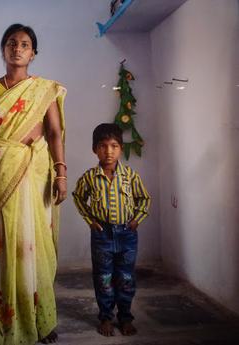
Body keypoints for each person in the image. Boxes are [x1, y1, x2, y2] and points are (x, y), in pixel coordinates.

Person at [0, 23, 67, 345]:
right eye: (11, 43)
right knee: (6, 245)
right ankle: (5, 320)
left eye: (24, 44)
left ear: (33, 53)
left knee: (36, 243)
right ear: (3, 49)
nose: (17, 48)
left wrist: (62, 173)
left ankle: (42, 320)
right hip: (1, 170)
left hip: (36, 170)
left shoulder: (44, 89)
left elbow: (54, 133)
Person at [72, 123, 151, 337]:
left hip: (127, 234)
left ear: (121, 148)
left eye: (114, 146)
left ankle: (125, 317)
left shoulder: (130, 176)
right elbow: (78, 197)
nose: (109, 151)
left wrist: (137, 220)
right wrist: (90, 220)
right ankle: (106, 317)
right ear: (94, 149)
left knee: (125, 277)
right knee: (104, 278)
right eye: (103, 146)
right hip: (102, 236)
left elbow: (144, 199)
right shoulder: (90, 177)